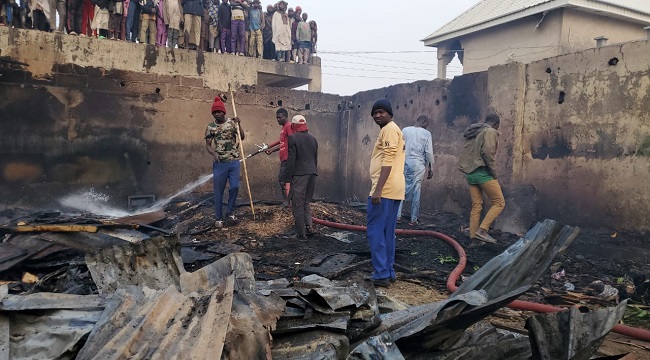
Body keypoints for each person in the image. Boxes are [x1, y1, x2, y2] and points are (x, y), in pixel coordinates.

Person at [366, 99, 405, 288]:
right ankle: (388, 271)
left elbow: (388, 160)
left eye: (381, 112)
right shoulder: (395, 129)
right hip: (395, 189)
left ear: (390, 114)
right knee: (387, 232)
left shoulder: (389, 129)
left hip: (385, 190)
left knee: (375, 232)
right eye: (374, 113)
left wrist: (378, 189)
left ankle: (381, 273)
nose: (377, 115)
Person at [458, 114, 505, 245]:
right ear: (496, 124)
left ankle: (474, 239)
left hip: (470, 173)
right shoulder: (490, 131)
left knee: (477, 205)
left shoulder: (475, 131)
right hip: (482, 172)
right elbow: (487, 152)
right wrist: (494, 172)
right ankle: (483, 230)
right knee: (499, 202)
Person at [205, 95, 245, 228]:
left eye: (219, 111)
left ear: (224, 112)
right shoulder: (210, 127)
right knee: (218, 191)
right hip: (220, 163)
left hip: (234, 161)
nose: (217, 114)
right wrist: (213, 153)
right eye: (214, 112)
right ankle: (218, 218)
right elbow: (208, 145)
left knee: (235, 186)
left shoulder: (232, 123)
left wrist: (239, 124)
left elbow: (242, 137)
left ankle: (229, 212)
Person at [283, 115, 318, 241]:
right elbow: (315, 158)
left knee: (297, 205)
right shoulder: (313, 139)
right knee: (306, 202)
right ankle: (309, 227)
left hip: (299, 175)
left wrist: (286, 177)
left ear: (293, 125)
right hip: (312, 174)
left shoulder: (292, 138)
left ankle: (301, 234)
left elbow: (291, 160)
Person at [397, 115, 434, 226]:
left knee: (401, 189)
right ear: (423, 121)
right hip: (418, 164)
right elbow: (428, 152)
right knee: (416, 190)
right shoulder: (426, 134)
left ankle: (397, 216)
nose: (426, 127)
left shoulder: (405, 130)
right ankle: (413, 219)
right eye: (426, 124)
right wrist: (431, 168)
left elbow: (399, 147)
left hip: (405, 162)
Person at [265, 108, 294, 206]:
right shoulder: (284, 127)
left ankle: (287, 201)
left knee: (283, 180)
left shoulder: (288, 126)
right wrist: (270, 147)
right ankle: (288, 201)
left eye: (280, 117)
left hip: (287, 159)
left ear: (286, 117)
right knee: (284, 180)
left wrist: (272, 149)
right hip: (284, 158)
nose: (278, 120)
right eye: (277, 118)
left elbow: (289, 142)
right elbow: (281, 141)